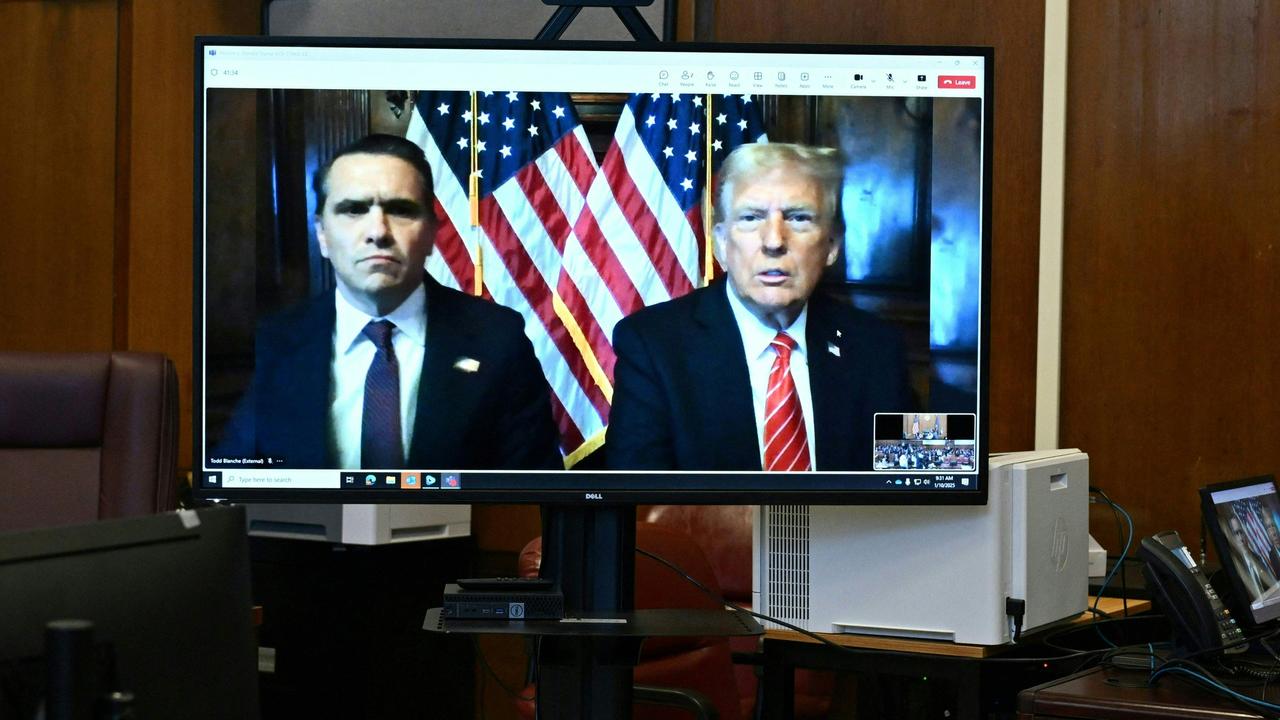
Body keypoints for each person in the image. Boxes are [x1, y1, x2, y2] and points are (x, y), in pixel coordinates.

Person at [215, 133, 562, 470]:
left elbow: (532, 496)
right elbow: (234, 483)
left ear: (431, 233)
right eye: (354, 210)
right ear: (322, 234)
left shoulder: (499, 340)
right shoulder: (275, 342)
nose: (378, 231)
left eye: (400, 210)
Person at [606, 142, 914, 471]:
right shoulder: (654, 346)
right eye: (751, 218)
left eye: (798, 218)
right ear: (722, 243)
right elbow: (639, 506)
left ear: (832, 245)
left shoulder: (878, 348)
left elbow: (914, 488)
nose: (773, 241)